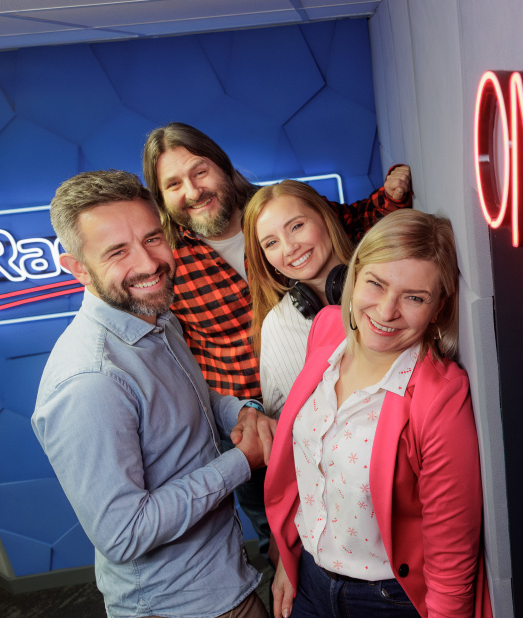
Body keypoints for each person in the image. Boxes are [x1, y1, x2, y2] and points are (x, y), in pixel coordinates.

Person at [142, 122, 412, 551]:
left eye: (199, 172)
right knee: (283, 541)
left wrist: (391, 195)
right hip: (249, 434)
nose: (192, 191)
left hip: (331, 412)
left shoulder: (277, 210)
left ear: (223, 167)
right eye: (173, 184)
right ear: (161, 198)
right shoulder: (162, 261)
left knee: (370, 526)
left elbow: (349, 222)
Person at [32, 170, 278, 618]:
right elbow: (124, 533)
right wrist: (242, 462)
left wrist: (240, 410)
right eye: (117, 251)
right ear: (78, 268)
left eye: (152, 238)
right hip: (189, 612)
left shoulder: (154, 314)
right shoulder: (89, 382)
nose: (148, 263)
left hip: (223, 577)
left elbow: (192, 400)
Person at [261, 210, 496, 618]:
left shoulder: (439, 395)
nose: (387, 311)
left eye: (415, 297)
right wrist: (287, 559)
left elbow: (450, 555)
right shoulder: (327, 328)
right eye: (376, 283)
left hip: (388, 609)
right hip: (310, 589)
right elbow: (309, 474)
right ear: (353, 279)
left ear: (438, 307)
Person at [243, 179, 358, 418]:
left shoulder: (384, 283)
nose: (289, 248)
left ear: (325, 218)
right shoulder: (279, 327)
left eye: (296, 226)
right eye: (271, 243)